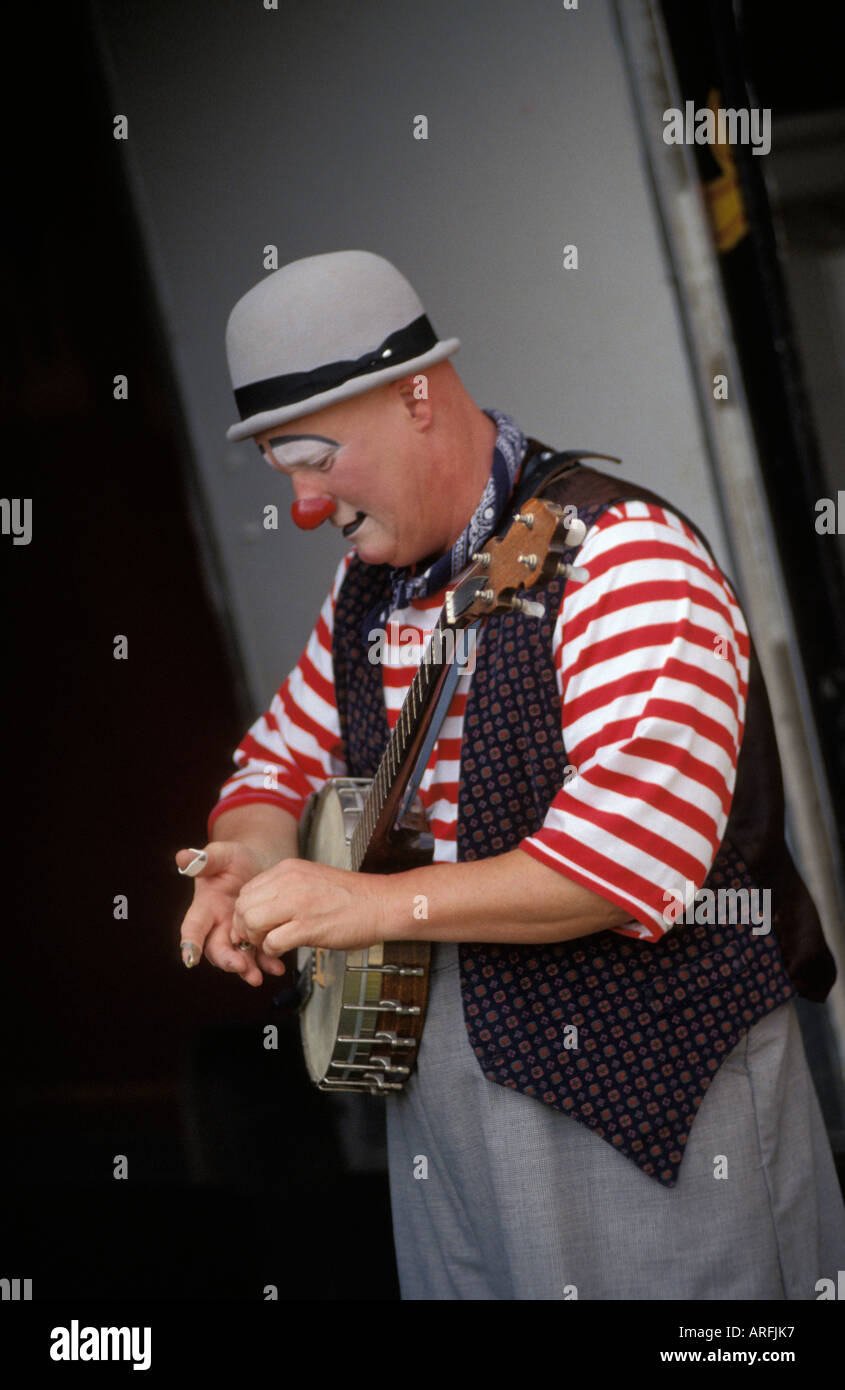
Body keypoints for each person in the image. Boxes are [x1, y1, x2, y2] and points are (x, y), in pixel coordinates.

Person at [176, 249, 845, 1300]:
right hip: (442, 1117)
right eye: (279, 468)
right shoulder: (366, 594)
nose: (302, 503)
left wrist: (368, 903)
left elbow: (621, 863)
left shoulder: (625, 561)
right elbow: (277, 763)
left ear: (415, 396)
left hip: (647, 1106)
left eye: (314, 456)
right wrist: (245, 857)